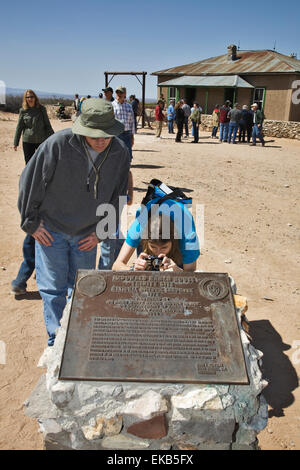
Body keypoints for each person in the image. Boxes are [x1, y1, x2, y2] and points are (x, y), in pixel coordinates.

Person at [18, 98, 130, 346]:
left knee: (81, 288)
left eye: (106, 135)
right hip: (51, 230)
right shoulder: (58, 144)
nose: (101, 141)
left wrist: (102, 232)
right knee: (52, 289)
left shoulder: (120, 152)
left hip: (87, 234)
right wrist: (31, 222)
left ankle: (76, 342)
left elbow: (119, 195)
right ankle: (55, 343)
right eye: (94, 135)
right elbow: (30, 181)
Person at [11, 90, 54, 296]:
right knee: (32, 240)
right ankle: (23, 278)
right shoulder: (32, 174)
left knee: (47, 243)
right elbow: (19, 127)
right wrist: (16, 141)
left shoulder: (41, 111)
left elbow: (47, 126)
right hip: (39, 214)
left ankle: (37, 274)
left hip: (54, 215)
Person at [112, 193, 200, 272]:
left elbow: (190, 272)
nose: (158, 253)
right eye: (153, 247)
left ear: (172, 241)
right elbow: (116, 265)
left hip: (180, 226)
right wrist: (133, 269)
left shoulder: (187, 235)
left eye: (164, 247)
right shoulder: (139, 227)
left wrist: (177, 271)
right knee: (146, 266)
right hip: (149, 214)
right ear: (146, 240)